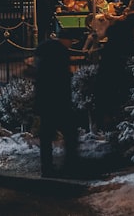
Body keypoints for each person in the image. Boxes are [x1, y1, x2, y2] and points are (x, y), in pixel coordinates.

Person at [34, 31, 80, 177]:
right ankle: (70, 165)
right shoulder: (60, 53)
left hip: (45, 100)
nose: (71, 44)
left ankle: (46, 167)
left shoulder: (45, 52)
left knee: (46, 136)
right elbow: (62, 79)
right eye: (70, 41)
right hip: (59, 100)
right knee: (70, 133)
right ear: (66, 40)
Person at [93, 13, 134, 130]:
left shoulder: (117, 33)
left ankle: (106, 122)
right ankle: (112, 124)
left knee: (107, 97)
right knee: (114, 97)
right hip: (117, 71)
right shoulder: (125, 38)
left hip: (108, 69)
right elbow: (127, 53)